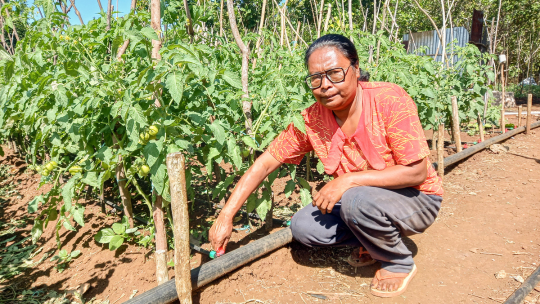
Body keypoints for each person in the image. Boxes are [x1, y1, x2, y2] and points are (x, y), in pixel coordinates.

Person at [209, 34, 443, 298]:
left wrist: (346, 181)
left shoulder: (389, 99)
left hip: (417, 198)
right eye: (316, 78)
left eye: (334, 73)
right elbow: (265, 163)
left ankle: (397, 261)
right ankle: (371, 237)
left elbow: (416, 172)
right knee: (303, 226)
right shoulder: (312, 119)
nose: (325, 85)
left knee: (354, 199)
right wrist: (225, 216)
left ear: (355, 68)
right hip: (362, 200)